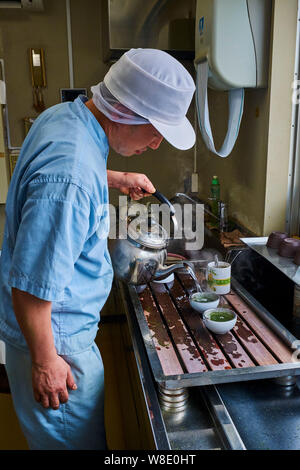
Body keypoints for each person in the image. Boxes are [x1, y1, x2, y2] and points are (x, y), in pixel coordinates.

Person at [0, 48, 195, 450]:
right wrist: (45, 363)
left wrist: (114, 177)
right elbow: (31, 288)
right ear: (125, 112)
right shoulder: (69, 181)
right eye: (156, 129)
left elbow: (60, 167)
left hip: (52, 336)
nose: (157, 143)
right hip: (57, 348)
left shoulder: (66, 117)